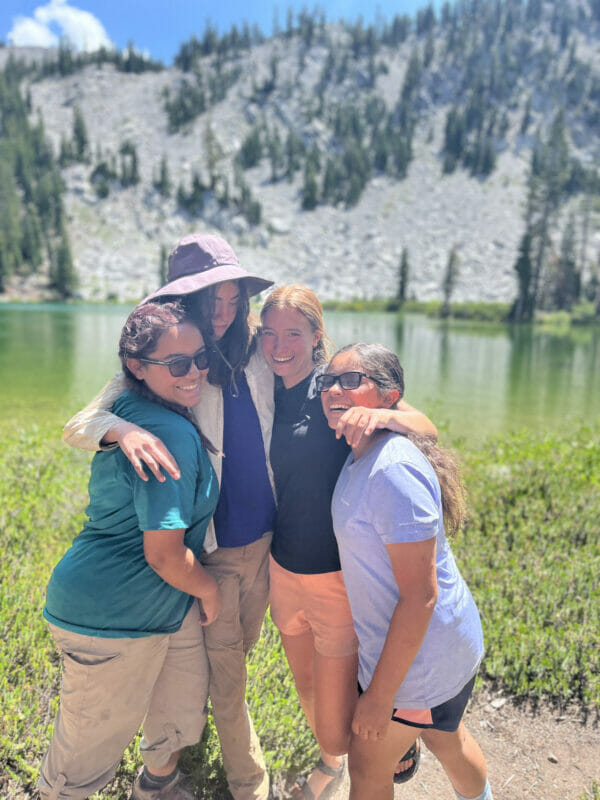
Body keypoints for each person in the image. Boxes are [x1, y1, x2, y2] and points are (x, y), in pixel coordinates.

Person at [62, 234, 276, 800]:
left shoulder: (250, 349)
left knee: (225, 657)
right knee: (223, 667)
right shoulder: (170, 354)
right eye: (214, 302)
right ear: (186, 302)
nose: (226, 314)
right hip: (208, 543)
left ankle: (176, 755)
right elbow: (80, 423)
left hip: (266, 538)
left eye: (234, 300)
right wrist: (123, 429)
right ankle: (246, 782)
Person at [258, 286, 438, 799]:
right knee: (308, 690)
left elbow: (425, 428)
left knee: (338, 715)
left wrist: (384, 417)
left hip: (336, 578)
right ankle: (330, 763)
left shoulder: (338, 386)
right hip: (282, 569)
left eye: (293, 333)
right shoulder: (264, 385)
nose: (278, 345)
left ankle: (396, 742)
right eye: (268, 333)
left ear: (317, 336)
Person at [38, 301, 221, 800]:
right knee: (84, 756)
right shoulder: (166, 432)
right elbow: (164, 554)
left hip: (156, 606)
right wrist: (210, 590)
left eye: (201, 359)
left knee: (179, 704)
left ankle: (157, 786)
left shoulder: (142, 408)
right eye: (178, 364)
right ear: (137, 367)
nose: (194, 373)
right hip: (111, 616)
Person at [320, 342, 493, 800]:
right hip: (439, 648)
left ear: (389, 396)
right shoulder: (363, 450)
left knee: (367, 762)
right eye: (328, 381)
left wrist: (379, 699)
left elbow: (420, 596)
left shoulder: (391, 468)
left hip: (421, 661)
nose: (334, 389)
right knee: (444, 738)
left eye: (351, 380)